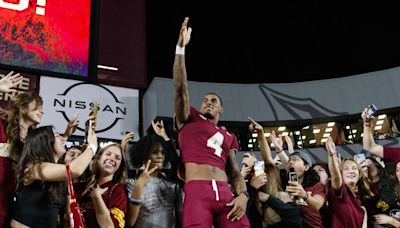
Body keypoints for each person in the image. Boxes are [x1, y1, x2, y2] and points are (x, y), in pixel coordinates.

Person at [173, 17, 250, 227]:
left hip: (226, 192)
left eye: (213, 101)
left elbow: (234, 170)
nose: (208, 103)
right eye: (205, 100)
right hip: (197, 190)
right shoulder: (189, 118)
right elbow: (180, 88)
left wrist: (243, 194)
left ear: (221, 109)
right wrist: (180, 49)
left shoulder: (228, 135)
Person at [10, 125, 97, 227]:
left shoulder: (60, 175)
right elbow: (74, 170)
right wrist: (92, 147)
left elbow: (69, 213)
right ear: (45, 143)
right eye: (56, 136)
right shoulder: (33, 168)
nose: (62, 139)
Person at [126, 120, 182, 228]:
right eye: (155, 152)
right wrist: (139, 185)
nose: (160, 156)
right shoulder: (132, 183)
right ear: (144, 155)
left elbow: (182, 220)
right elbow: (130, 222)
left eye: (162, 152)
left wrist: (165, 137)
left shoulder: (173, 185)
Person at [325, 136, 374, 228]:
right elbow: (335, 178)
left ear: (359, 174)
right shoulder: (340, 192)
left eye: (354, 168)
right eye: (346, 169)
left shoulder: (361, 204)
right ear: (341, 174)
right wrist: (331, 155)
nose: (351, 171)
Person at [77, 143, 127, 228]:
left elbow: (109, 226)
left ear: (120, 166)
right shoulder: (81, 186)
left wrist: (96, 196)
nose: (111, 159)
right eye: (108, 154)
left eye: (117, 158)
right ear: (99, 158)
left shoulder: (118, 190)